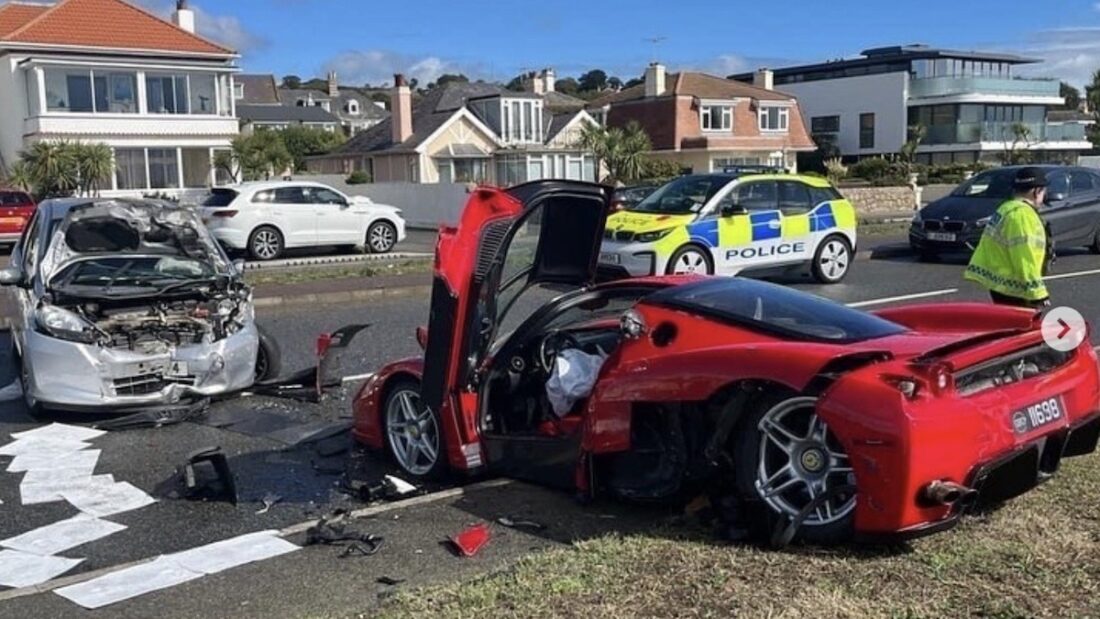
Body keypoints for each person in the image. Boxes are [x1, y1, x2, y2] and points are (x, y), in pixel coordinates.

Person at [964, 167, 1052, 309]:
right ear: (1037, 191)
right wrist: (1038, 293)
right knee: (1024, 328)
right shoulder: (1022, 215)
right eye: (1043, 192)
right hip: (1017, 288)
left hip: (1000, 284)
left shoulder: (1005, 208)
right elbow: (1024, 256)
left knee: (1007, 326)